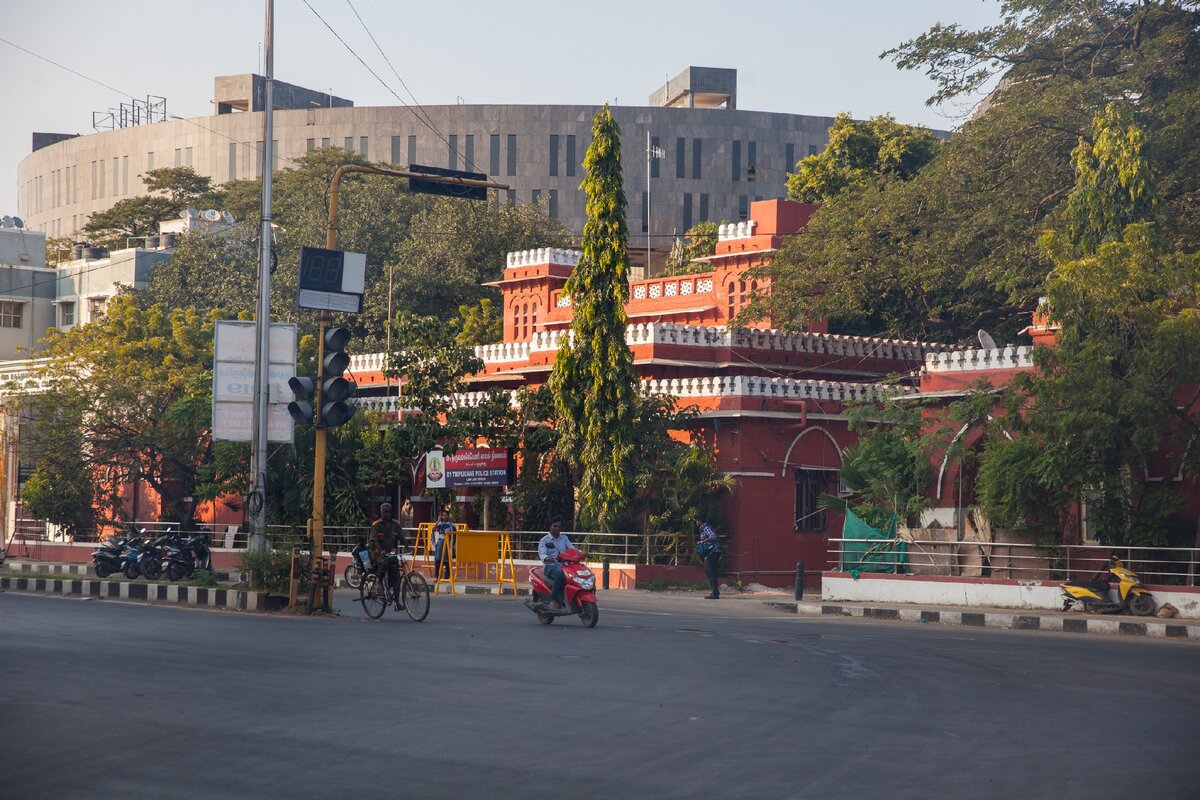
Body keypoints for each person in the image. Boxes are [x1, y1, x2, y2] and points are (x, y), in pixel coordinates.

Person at [369, 503, 407, 599]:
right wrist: (381, 550)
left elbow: (402, 537)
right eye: (385, 512)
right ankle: (379, 582)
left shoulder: (396, 524)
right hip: (378, 554)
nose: (388, 514)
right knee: (384, 562)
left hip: (392, 555)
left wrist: (408, 546)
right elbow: (374, 540)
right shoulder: (376, 525)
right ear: (381, 512)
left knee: (396, 578)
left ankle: (398, 603)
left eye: (389, 512)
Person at [537, 517, 574, 609]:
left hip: (564, 565)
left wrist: (581, 553)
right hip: (550, 566)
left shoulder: (564, 538)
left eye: (559, 526)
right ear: (550, 527)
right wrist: (546, 558)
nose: (557, 528)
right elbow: (542, 554)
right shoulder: (544, 540)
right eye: (555, 526)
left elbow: (572, 549)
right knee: (560, 575)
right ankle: (554, 599)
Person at [697, 518, 722, 599]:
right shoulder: (705, 527)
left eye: (696, 520)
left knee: (711, 572)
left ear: (700, 520)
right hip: (712, 552)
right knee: (710, 572)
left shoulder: (705, 527)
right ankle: (715, 591)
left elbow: (713, 536)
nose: (696, 522)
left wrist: (702, 542)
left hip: (713, 552)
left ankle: (715, 593)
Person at [432, 508, 455, 580]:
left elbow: (453, 533)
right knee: (437, 560)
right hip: (440, 544)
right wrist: (438, 520)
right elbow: (433, 529)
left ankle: (446, 577)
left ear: (448, 516)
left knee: (446, 561)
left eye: (445, 515)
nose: (444, 517)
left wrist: (445, 532)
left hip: (447, 544)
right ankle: (438, 577)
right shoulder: (440, 524)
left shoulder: (451, 524)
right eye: (443, 515)